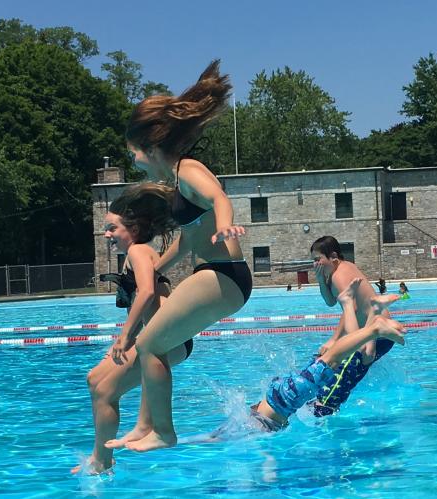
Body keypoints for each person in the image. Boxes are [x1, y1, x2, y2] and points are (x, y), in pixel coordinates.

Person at [110, 60, 251, 453]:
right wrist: (157, 266)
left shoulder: (187, 170)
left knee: (149, 345)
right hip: (214, 271)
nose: (133, 160)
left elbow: (219, 197)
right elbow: (189, 240)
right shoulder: (172, 184)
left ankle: (164, 432)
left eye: (132, 152)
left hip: (224, 275)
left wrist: (225, 225)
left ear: (150, 147)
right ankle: (143, 426)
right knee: (155, 345)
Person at [75, 185, 193, 474]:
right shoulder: (134, 253)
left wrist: (125, 336)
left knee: (105, 392)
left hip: (167, 339)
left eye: (111, 228)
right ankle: (100, 455)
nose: (107, 235)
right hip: (157, 336)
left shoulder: (140, 251)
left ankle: (102, 463)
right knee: (95, 379)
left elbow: (147, 293)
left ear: (134, 229)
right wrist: (127, 341)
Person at [250, 278, 403, 430]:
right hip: (281, 401)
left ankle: (358, 312)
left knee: (349, 354)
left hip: (282, 403)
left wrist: (335, 339)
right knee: (364, 356)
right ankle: (373, 312)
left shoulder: (316, 405)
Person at [310, 236, 396, 416]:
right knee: (329, 361)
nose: (315, 264)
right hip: (370, 329)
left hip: (378, 333)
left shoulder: (339, 275)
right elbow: (331, 302)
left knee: (343, 372)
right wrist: (320, 280)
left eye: (318, 259)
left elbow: (351, 307)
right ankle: (322, 402)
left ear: (332, 256)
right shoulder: (336, 270)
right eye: (313, 261)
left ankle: (325, 407)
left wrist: (335, 339)